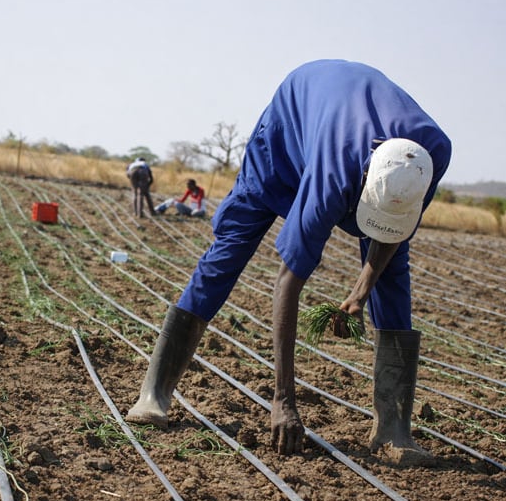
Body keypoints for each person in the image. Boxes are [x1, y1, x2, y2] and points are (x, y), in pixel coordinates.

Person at [126, 60, 452, 463]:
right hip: (287, 133)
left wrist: (359, 293)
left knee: (392, 272)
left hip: (346, 122)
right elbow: (288, 280)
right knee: (233, 247)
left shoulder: (431, 153)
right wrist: (283, 400)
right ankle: (154, 392)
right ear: (364, 182)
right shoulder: (333, 175)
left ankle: (393, 430)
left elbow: (395, 230)